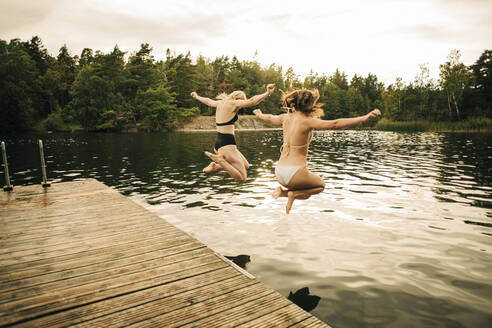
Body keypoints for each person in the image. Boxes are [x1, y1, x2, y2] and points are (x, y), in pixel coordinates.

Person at [253, 88, 381, 213]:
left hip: (279, 171)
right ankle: (289, 194)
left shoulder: (285, 118)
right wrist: (364, 118)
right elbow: (335, 124)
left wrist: (260, 115)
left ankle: (286, 192)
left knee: (305, 194)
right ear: (309, 105)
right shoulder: (307, 121)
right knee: (320, 186)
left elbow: (270, 118)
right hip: (295, 172)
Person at [191, 84, 275, 182]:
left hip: (219, 143)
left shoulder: (220, 103)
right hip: (227, 145)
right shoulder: (233, 103)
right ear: (238, 98)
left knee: (246, 165)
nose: (241, 104)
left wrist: (197, 96)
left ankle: (216, 166)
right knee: (242, 178)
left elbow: (208, 101)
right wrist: (267, 93)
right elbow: (252, 101)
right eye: (241, 101)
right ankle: (220, 160)